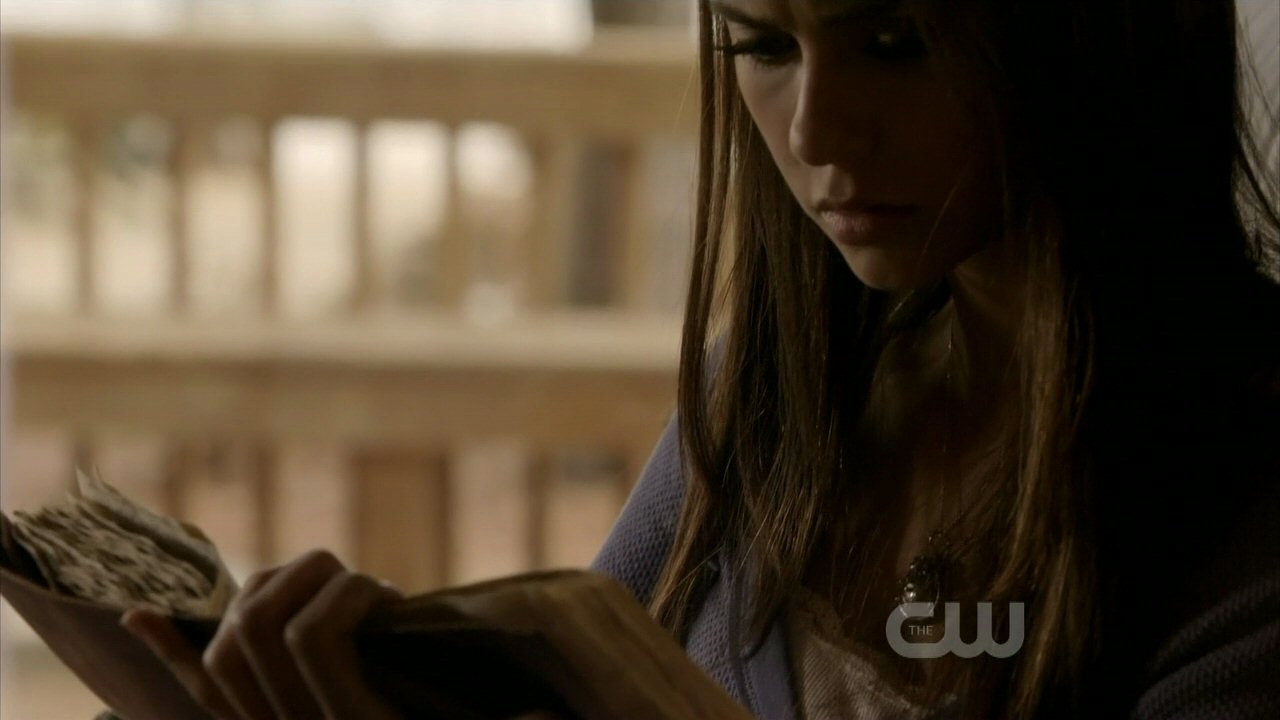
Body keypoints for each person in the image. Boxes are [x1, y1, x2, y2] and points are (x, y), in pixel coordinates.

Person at [123, 0, 1280, 717]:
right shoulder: (770, 398)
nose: (814, 131)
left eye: (894, 42)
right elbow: (583, 675)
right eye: (762, 44)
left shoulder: (1238, 497)